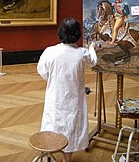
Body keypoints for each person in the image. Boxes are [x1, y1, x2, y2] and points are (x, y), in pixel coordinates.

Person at [37, 18, 97, 162]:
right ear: (77, 34)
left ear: (61, 32)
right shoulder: (82, 54)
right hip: (74, 99)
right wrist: (93, 47)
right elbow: (94, 61)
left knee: (51, 123)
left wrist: (54, 81)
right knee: (71, 126)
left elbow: (42, 71)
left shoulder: (50, 51)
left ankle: (47, 156)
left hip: (55, 96)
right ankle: (67, 159)